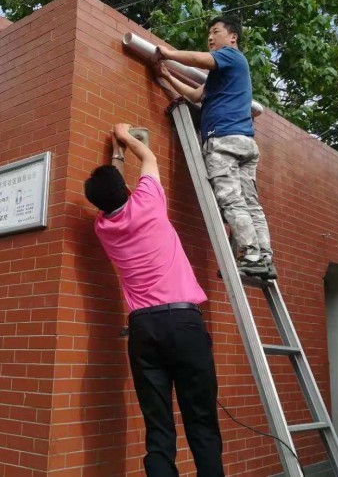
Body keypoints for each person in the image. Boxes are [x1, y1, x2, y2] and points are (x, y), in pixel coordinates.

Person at [84, 123, 225, 477]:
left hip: (144, 329)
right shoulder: (149, 202)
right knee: (202, 423)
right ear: (128, 188)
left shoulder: (103, 228)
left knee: (158, 429)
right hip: (183, 323)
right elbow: (148, 156)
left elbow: (114, 194)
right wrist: (126, 136)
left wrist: (116, 153)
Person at [155, 15, 276, 279]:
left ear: (233, 37)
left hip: (223, 139)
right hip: (244, 142)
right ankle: (265, 257)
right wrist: (167, 77)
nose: (210, 37)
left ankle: (252, 255)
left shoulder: (231, 56)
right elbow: (197, 96)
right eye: (209, 33)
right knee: (250, 203)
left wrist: (169, 54)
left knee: (231, 199)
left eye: (216, 32)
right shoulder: (223, 74)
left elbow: (200, 59)